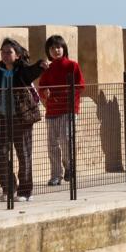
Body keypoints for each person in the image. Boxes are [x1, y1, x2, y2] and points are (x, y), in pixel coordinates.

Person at [0, 38, 48, 202]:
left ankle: (25, 191)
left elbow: (32, 72)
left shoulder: (21, 70)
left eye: (9, 52)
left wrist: (41, 65)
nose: (5, 55)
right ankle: (9, 187)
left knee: (23, 155)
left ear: (17, 55)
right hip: (2, 118)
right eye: (3, 51)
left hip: (21, 118)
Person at [38, 35, 85, 186]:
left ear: (63, 48)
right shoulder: (47, 69)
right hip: (52, 110)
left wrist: (65, 96)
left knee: (66, 139)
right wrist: (45, 93)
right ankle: (55, 175)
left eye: (58, 47)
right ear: (48, 51)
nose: (56, 50)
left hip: (68, 109)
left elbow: (80, 85)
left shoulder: (72, 65)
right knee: (52, 143)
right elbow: (42, 88)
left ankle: (70, 167)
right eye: (52, 48)